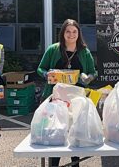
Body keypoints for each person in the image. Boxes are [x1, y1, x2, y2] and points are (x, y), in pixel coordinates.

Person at [37, 19, 97, 167]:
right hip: (55, 100)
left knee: (74, 135)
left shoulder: (84, 51)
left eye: (74, 31)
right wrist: (46, 75)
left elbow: (93, 71)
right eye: (68, 31)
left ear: (78, 34)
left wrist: (89, 77)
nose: (71, 34)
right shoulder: (53, 49)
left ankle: (75, 164)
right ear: (63, 33)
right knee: (54, 134)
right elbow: (40, 68)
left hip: (75, 100)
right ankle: (54, 164)